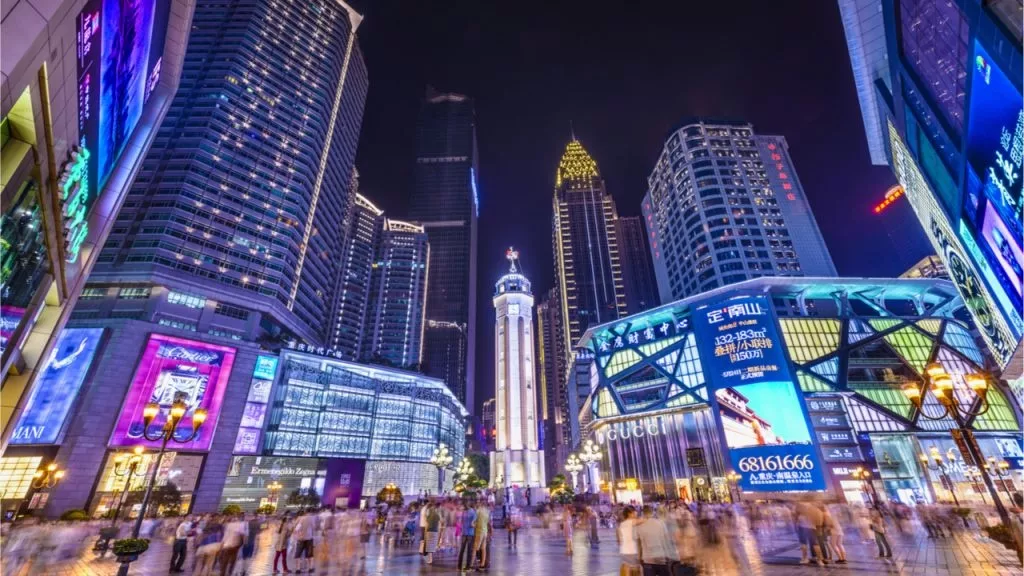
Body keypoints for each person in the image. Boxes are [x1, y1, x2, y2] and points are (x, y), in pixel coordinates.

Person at [635, 506, 677, 576]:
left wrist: (639, 557)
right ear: (652, 512)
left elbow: (639, 545)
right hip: (661, 557)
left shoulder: (639, 526)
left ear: (643, 513)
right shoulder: (660, 523)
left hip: (648, 559)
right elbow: (666, 540)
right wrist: (669, 555)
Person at [795, 502, 825, 566]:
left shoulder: (802, 510)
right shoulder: (815, 510)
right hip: (812, 528)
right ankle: (820, 560)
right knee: (815, 544)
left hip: (802, 528)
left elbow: (797, 522)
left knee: (803, 544)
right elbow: (819, 522)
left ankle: (805, 558)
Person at [617, 508, 640, 576]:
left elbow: (619, 541)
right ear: (630, 514)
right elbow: (644, 520)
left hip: (623, 551)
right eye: (634, 512)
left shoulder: (621, 524)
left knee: (627, 568)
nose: (635, 513)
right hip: (632, 551)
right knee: (636, 570)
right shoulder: (632, 521)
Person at [458, 503, 477, 572]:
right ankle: (467, 566)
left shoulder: (464, 512)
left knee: (462, 550)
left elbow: (461, 522)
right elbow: (473, 523)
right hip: (470, 533)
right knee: (469, 550)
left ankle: (459, 566)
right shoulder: (473, 512)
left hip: (464, 533)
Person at [473, 501, 491, 570]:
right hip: (485, 531)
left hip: (479, 531)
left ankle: (472, 564)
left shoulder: (478, 511)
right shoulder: (487, 512)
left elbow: (473, 523)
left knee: (475, 548)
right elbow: (489, 522)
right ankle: (483, 564)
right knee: (483, 548)